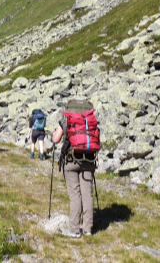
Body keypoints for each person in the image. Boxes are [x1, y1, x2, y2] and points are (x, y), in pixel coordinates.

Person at [51, 99, 97, 238]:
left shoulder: (66, 119)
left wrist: (54, 134)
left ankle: (74, 229)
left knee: (75, 195)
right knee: (87, 194)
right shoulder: (89, 119)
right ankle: (88, 228)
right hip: (88, 159)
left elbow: (56, 140)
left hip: (71, 160)